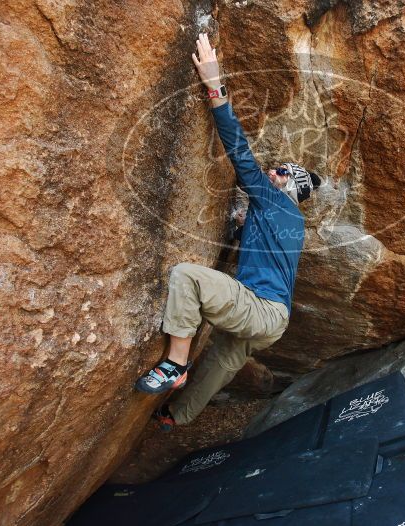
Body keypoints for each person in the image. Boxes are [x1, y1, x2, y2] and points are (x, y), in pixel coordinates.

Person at [134, 33, 321, 429]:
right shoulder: (292, 222)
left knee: (187, 278)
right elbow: (261, 251)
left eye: (283, 172)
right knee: (223, 360)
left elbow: (240, 153)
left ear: (292, 187)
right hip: (275, 320)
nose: (274, 171)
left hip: (261, 308)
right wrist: (240, 229)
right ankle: (175, 416)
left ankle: (174, 365)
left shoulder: (274, 201)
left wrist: (214, 85)